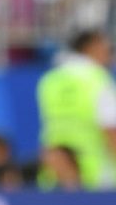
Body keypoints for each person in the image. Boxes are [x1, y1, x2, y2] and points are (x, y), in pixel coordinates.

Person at [37, 29, 116, 190]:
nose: (110, 54)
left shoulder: (50, 79)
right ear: (91, 47)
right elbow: (111, 131)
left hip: (55, 174)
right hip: (98, 179)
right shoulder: (98, 80)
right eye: (106, 48)